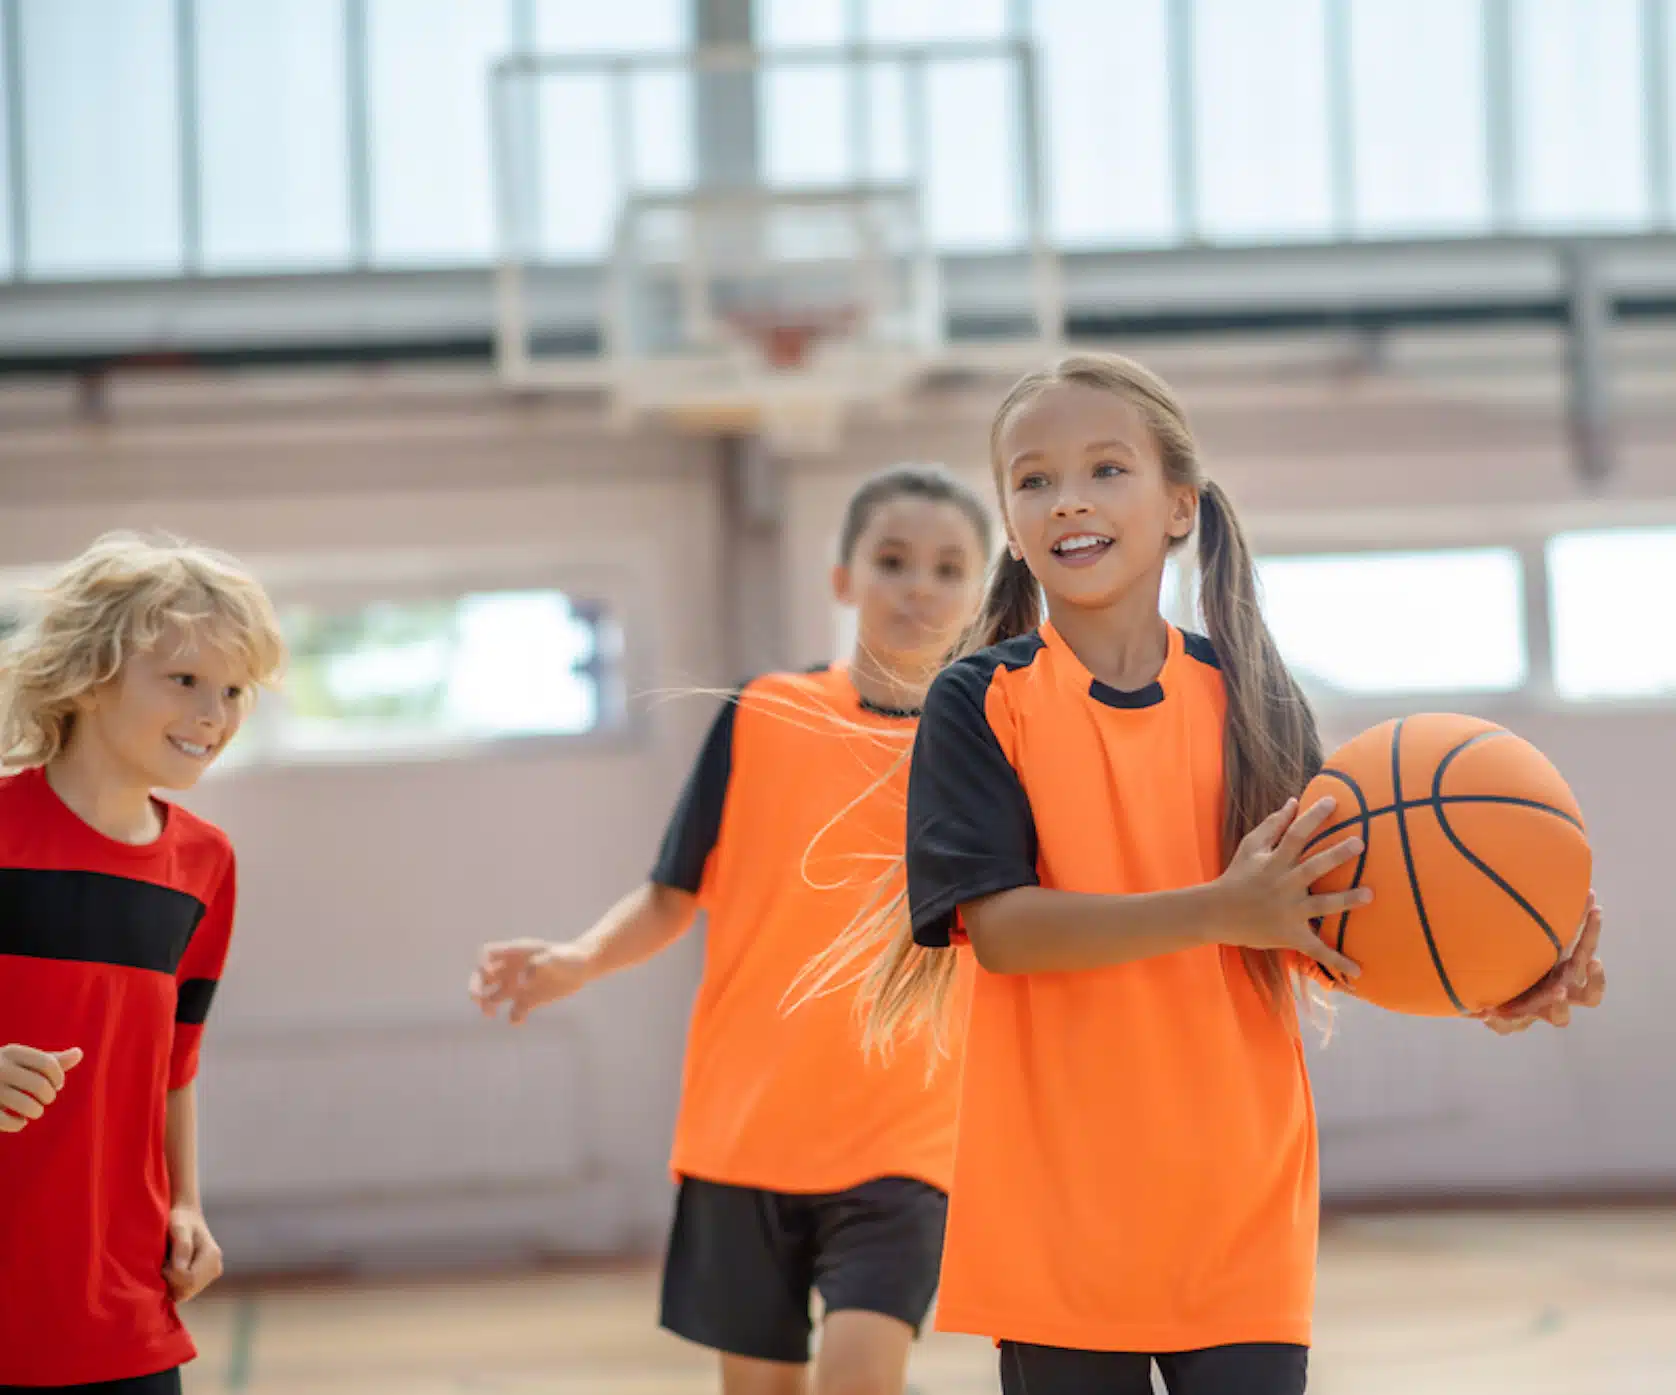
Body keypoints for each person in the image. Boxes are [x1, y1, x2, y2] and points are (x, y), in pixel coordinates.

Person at [809, 354, 1606, 1395]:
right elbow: (1004, 929)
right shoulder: (980, 703)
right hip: (1061, 1208)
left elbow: (1327, 922)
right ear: (1010, 521)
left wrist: (1501, 976)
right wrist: (1223, 909)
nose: (1070, 500)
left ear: (1178, 505)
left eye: (1105, 468)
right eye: (1034, 479)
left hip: (1240, 1202)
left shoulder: (1254, 698)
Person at [469, 465, 992, 1395]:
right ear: (843, 578)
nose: (921, 584)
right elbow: (673, 891)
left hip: (907, 1140)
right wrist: (579, 959)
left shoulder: (992, 748)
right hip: (745, 1134)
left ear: (980, 587)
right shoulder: (765, 714)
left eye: (950, 566)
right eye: (894, 560)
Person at [0, 531, 285, 1393]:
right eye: (185, 680)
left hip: (123, 1309)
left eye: (234, 690)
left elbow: (175, 1061)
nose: (215, 714)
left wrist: (186, 1205)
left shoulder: (206, 865)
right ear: (89, 675)